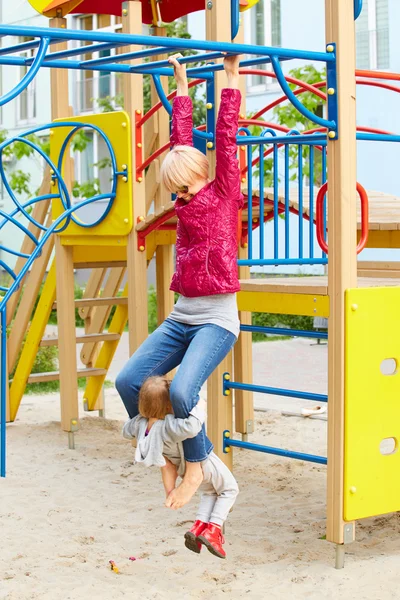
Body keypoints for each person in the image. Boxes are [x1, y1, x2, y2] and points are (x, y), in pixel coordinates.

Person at [115, 51, 243, 510]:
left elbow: (224, 140)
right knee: (129, 382)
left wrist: (229, 81)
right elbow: (180, 140)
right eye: (175, 192)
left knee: (185, 391)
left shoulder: (225, 191)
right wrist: (182, 84)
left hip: (216, 319)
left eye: (185, 188)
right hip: (182, 314)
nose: (181, 198)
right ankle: (160, 449)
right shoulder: (186, 195)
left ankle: (193, 466)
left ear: (201, 176)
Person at [122, 376, 239, 559]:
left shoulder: (141, 424)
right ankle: (214, 530)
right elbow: (192, 427)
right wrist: (200, 406)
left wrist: (137, 419)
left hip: (182, 467)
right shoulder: (169, 425)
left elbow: (125, 430)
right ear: (170, 405)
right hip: (203, 462)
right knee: (230, 489)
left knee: (210, 493)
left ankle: (199, 526)